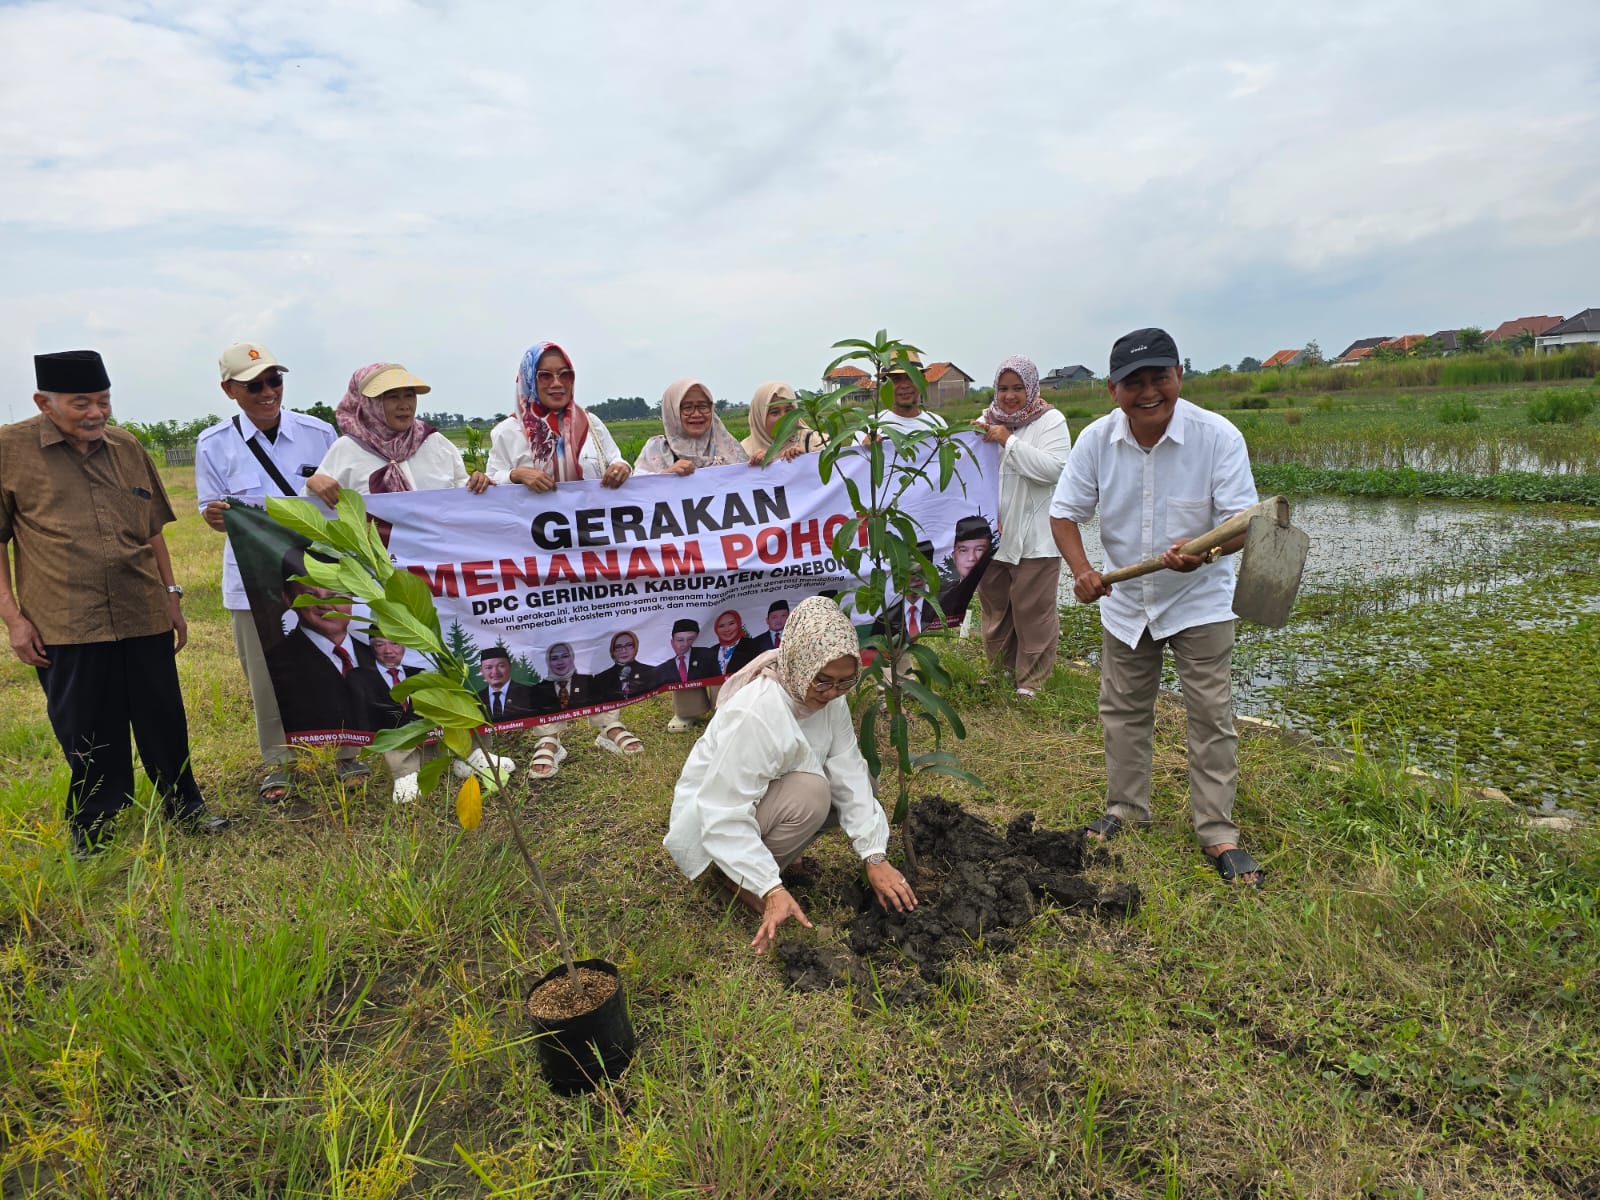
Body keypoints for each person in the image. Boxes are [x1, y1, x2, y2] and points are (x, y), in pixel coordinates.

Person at [1049, 328, 1264, 887]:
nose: (1149, 392)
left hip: (1200, 600)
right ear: (1112, 389)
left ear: (1179, 378)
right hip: (1127, 604)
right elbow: (1064, 513)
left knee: (1210, 715)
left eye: (1159, 379)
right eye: (1134, 382)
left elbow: (1244, 523)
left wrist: (1207, 550)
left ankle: (1217, 830)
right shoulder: (1096, 441)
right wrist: (1082, 572)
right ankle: (1126, 808)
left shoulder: (1217, 437)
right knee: (1122, 711)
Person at [1, 350, 228, 854]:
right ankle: (93, 824)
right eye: (81, 403)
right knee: (85, 725)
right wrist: (14, 619)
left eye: (103, 401)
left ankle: (185, 805)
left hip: (140, 608)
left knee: (164, 716)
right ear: (44, 402)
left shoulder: (126, 446)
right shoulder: (9, 450)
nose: (96, 414)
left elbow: (151, 532)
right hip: (65, 620)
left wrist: (171, 595)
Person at [663, 596, 917, 953]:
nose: (832, 693)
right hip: (714, 827)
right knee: (813, 794)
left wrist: (874, 855)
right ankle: (732, 879)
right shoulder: (756, 713)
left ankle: (774, 861)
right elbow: (721, 813)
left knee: (863, 782)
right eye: (824, 682)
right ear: (798, 662)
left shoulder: (830, 698)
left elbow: (847, 768)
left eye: (845, 682)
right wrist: (770, 885)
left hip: (771, 799)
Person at [304, 362, 499, 802]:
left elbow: (459, 500)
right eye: (391, 396)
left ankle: (468, 752)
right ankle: (405, 764)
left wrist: (478, 483)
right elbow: (317, 513)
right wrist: (313, 485)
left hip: (438, 578)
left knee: (450, 659)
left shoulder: (434, 445)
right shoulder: (346, 452)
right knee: (397, 668)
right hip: (380, 584)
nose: (403, 404)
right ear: (366, 402)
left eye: (409, 395)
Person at [195, 342, 342, 803]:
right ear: (229, 390)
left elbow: (347, 500)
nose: (267, 392)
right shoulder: (214, 445)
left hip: (319, 572)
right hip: (252, 580)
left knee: (335, 659)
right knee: (266, 674)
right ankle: (279, 764)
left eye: (274, 380)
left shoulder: (319, 434)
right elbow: (209, 509)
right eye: (254, 384)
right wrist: (217, 515)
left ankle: (348, 751)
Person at [487, 342, 643, 766]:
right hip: (535, 558)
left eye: (565, 374)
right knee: (544, 636)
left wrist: (621, 469)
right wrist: (514, 474)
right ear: (529, 380)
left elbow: (617, 462)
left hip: (588, 552)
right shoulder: (508, 432)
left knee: (597, 631)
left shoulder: (590, 424)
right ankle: (548, 733)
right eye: (546, 375)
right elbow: (486, 486)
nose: (557, 383)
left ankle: (607, 721)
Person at [635, 382, 743, 731]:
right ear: (672, 411)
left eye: (704, 405)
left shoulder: (728, 446)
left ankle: (730, 700)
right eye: (688, 407)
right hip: (678, 558)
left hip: (722, 555)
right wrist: (667, 476)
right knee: (687, 626)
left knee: (724, 622)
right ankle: (688, 708)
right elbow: (634, 499)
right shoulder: (656, 448)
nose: (697, 414)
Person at [972, 355, 1071, 697]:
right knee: (996, 609)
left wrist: (1007, 441)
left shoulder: (1050, 421)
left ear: (1031, 389)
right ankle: (999, 672)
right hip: (993, 536)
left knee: (1033, 612)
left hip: (1036, 537)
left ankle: (1031, 682)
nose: (1009, 396)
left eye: (1017, 388)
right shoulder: (984, 422)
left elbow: (1054, 470)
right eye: (1002, 388)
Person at [265, 549, 397, 737]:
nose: (325, 605)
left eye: (335, 594)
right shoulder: (277, 663)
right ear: (288, 599)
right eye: (311, 595)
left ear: (352, 595)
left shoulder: (379, 657)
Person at [742, 381, 821, 465]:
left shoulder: (816, 443)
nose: (784, 418)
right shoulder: (742, 452)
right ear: (759, 417)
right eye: (775, 412)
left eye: (789, 410)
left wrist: (806, 459)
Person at [591, 630, 655, 704]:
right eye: (618, 647)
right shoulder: (600, 678)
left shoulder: (650, 672)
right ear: (612, 651)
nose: (623, 650)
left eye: (629, 645)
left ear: (635, 647)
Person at [476, 646, 538, 721]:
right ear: (481, 670)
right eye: (488, 667)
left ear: (510, 666)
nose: (495, 672)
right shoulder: (476, 700)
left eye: (501, 666)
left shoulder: (529, 694)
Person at [710, 608, 758, 675]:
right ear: (716, 629)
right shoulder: (711, 652)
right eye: (721, 626)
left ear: (738, 623)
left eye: (731, 623)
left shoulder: (753, 645)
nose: (727, 629)